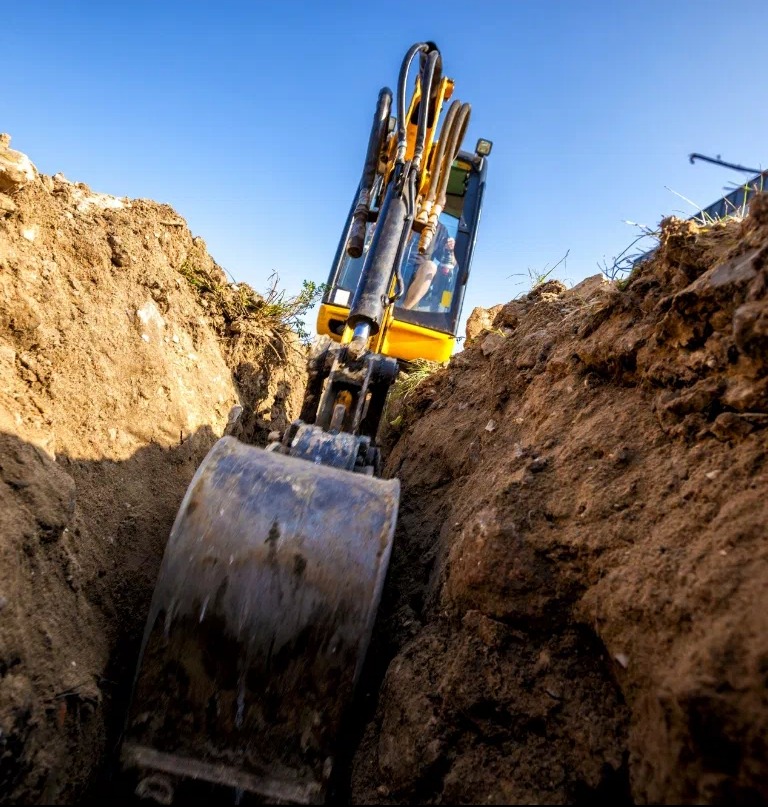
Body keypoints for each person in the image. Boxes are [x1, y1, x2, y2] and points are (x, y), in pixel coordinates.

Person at [401, 221, 457, 310]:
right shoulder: (404, 212)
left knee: (430, 267)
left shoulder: (441, 230)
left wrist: (452, 249)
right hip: (391, 261)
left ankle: (403, 310)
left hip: (416, 273)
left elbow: (452, 263)